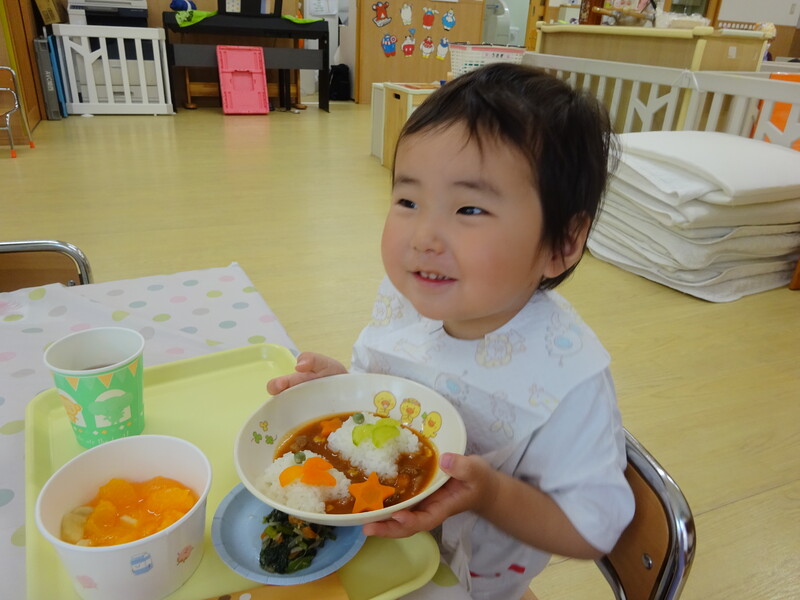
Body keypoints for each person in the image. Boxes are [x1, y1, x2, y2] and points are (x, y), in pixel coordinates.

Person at [268, 63, 635, 599]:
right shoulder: (411, 300)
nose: (423, 236)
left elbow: (592, 531)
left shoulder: (568, 379)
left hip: (470, 585)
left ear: (563, 242)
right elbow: (389, 407)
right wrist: (341, 389)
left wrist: (490, 494)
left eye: (469, 208)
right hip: (376, 542)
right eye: (407, 201)